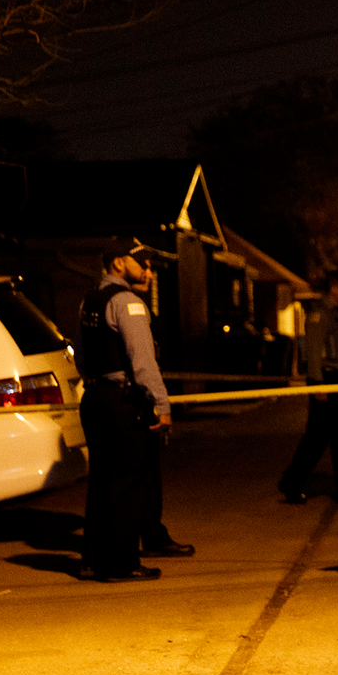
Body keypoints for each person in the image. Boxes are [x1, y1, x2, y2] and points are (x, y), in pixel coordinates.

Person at [78, 237, 194, 583]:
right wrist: (162, 404)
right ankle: (120, 564)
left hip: (94, 398)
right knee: (127, 484)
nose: (146, 269)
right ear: (117, 263)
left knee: (101, 481)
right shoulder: (128, 303)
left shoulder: (90, 301)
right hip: (121, 401)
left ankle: (93, 560)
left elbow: (82, 356)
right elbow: (143, 364)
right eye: (139, 262)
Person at [278, 270, 338, 503]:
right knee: (317, 437)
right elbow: (314, 351)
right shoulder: (320, 314)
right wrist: (318, 384)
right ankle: (291, 483)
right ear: (335, 288)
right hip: (327, 379)